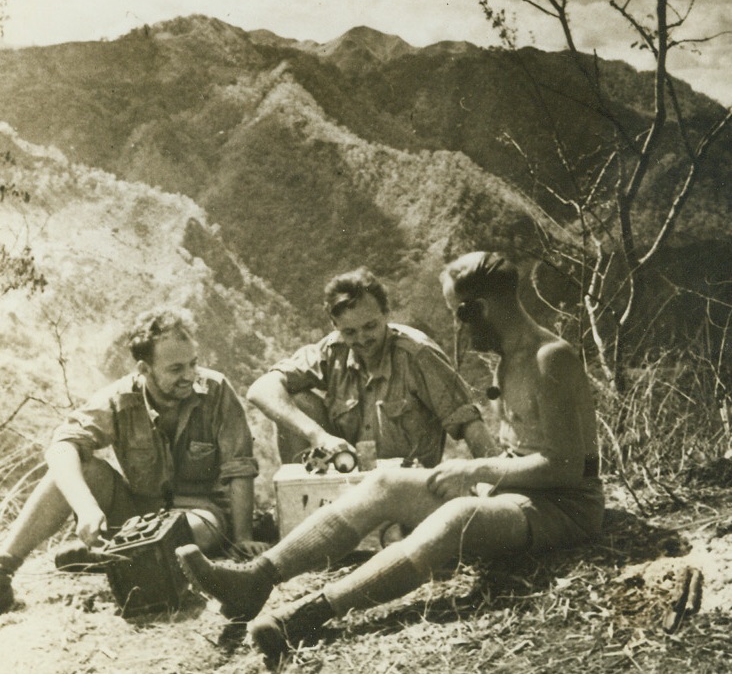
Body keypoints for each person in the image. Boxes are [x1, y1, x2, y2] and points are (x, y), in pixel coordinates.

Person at [175, 252, 604, 661]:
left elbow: (567, 469)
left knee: (457, 517)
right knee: (381, 485)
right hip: (517, 491)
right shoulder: (508, 358)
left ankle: (305, 616)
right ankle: (255, 579)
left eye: (458, 313)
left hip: (564, 508)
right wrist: (482, 476)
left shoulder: (552, 359)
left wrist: (478, 469)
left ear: (478, 310)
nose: (457, 327)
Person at [0, 306, 261, 614]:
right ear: (145, 369)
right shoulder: (121, 399)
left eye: (193, 363)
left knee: (195, 530)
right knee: (79, 468)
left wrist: (243, 537)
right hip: (137, 517)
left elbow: (239, 467)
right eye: (176, 369)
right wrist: (86, 508)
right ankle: (4, 567)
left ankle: (114, 557)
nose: (190, 375)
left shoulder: (215, 391)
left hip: (202, 514)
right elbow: (62, 445)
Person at [247, 267, 491, 469]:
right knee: (298, 399)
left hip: (407, 485)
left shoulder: (418, 354)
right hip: (346, 480)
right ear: (334, 325)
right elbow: (261, 389)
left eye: (370, 326)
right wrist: (317, 435)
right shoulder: (333, 351)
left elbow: (468, 421)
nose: (362, 339)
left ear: (386, 313)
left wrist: (495, 483)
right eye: (350, 332)